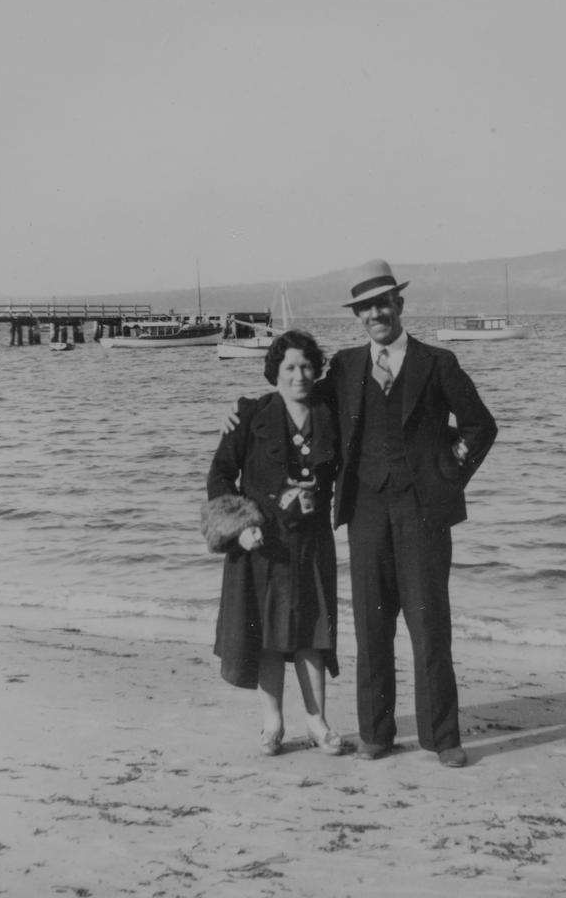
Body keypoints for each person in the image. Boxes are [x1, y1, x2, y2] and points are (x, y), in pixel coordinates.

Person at [224, 259, 497, 768]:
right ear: (357, 316)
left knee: (429, 625)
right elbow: (296, 395)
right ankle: (375, 733)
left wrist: (446, 478)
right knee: (372, 626)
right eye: (365, 308)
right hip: (365, 512)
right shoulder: (347, 367)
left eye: (382, 304)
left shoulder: (438, 362)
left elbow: (480, 427)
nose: (375, 314)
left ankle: (443, 738)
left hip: (423, 514)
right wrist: (244, 411)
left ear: (399, 304)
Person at [202, 329, 342, 758]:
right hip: (262, 543)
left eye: (307, 366)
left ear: (316, 370)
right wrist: (240, 526)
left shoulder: (331, 414)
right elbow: (219, 476)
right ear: (275, 372)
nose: (299, 375)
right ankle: (273, 723)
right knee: (267, 635)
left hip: (312, 542)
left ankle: (317, 722)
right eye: (290, 367)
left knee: (313, 634)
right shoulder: (249, 415)